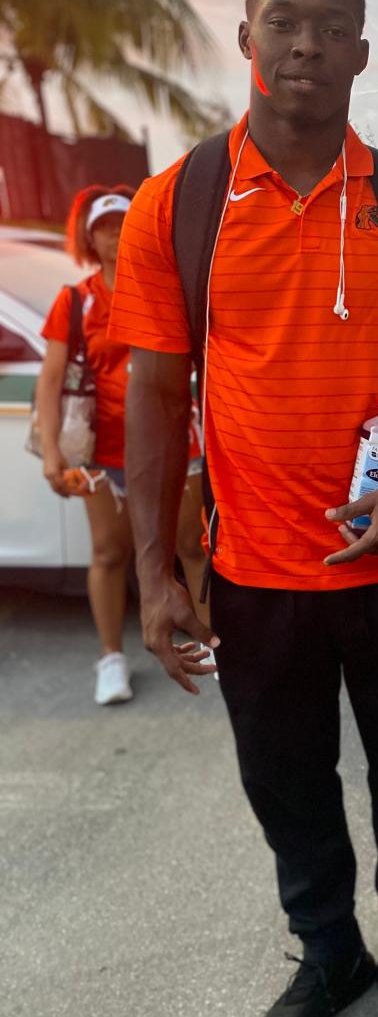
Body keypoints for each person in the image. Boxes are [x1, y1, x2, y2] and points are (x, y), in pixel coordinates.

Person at [108, 0, 378, 1017]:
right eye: (283, 21)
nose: (306, 44)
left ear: (363, 52)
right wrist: (158, 574)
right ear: (245, 38)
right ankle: (327, 951)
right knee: (284, 773)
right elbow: (154, 395)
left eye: (331, 27)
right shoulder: (181, 205)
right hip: (261, 570)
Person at [35, 186, 207, 706]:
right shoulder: (76, 299)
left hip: (178, 443)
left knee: (191, 549)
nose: (114, 237)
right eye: (104, 228)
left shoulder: (167, 287)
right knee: (110, 554)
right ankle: (111, 659)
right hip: (105, 453)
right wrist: (51, 453)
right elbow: (50, 378)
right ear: (90, 237)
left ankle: (209, 642)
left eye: (123, 226)